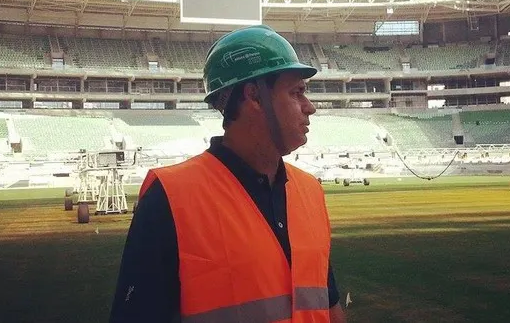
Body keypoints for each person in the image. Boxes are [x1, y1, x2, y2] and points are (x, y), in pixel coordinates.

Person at [109, 25, 346, 323]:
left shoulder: (310, 191)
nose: (309, 107)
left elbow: (328, 302)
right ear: (254, 97)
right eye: (297, 92)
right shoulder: (170, 198)